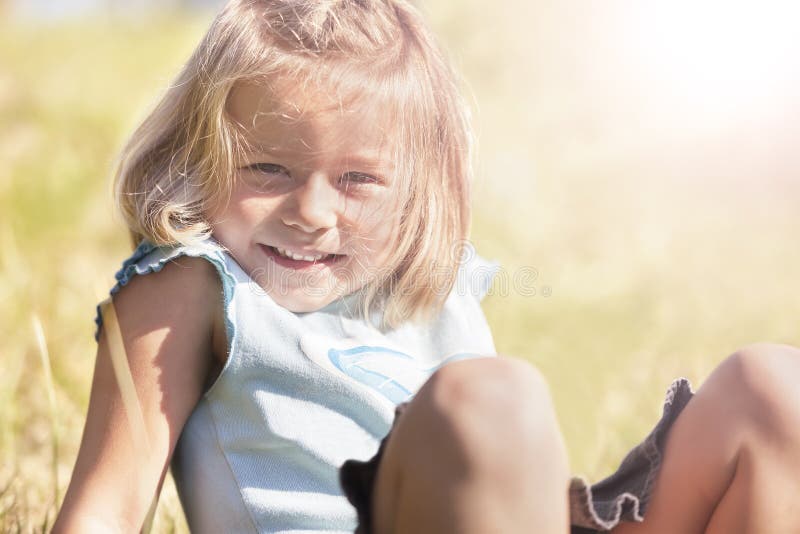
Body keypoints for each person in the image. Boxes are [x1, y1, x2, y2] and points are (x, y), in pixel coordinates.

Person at [54, 1, 800, 532]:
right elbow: (105, 512)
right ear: (203, 158)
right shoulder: (195, 286)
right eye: (268, 169)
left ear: (419, 188)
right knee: (488, 401)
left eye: (357, 180)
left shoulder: (429, 293)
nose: (312, 211)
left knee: (773, 391)